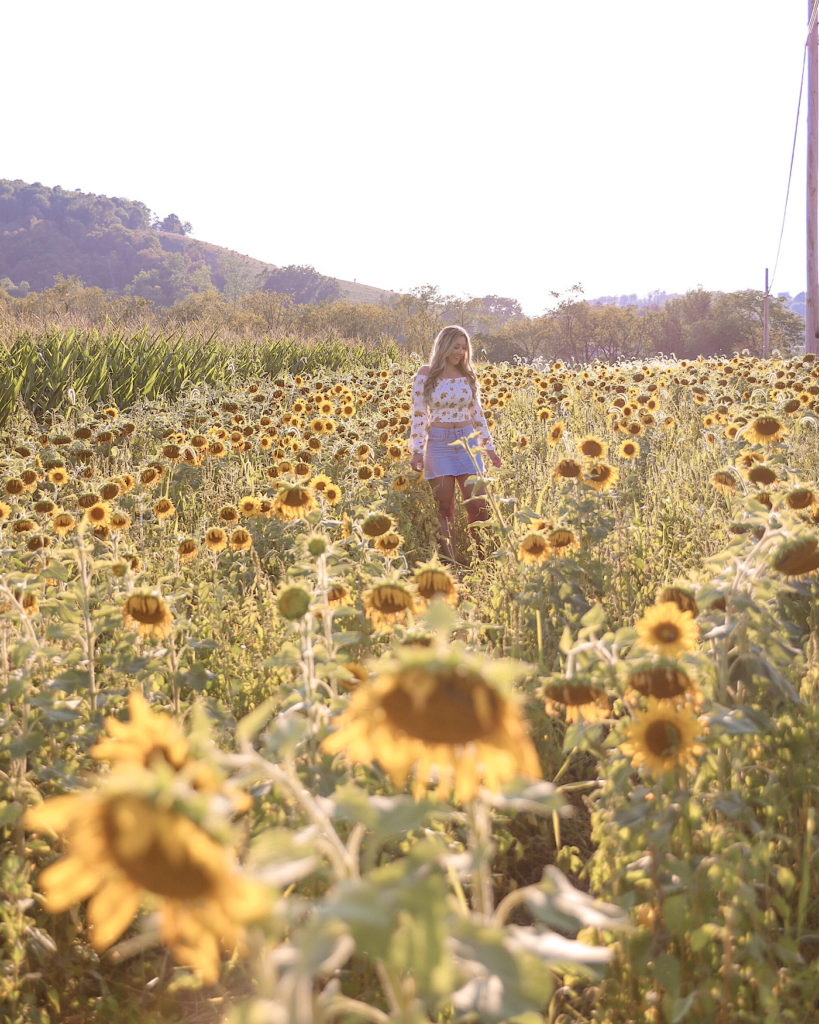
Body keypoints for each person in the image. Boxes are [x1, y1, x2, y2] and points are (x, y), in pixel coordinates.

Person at [408, 325, 501, 563]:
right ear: (444, 346)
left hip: (468, 444)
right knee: (445, 509)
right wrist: (416, 451)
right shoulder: (425, 373)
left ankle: (484, 561)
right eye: (456, 346)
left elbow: (477, 412)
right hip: (438, 444)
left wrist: (488, 447)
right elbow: (419, 414)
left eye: (464, 347)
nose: (460, 352)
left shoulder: (468, 375)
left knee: (478, 506)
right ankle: (453, 564)